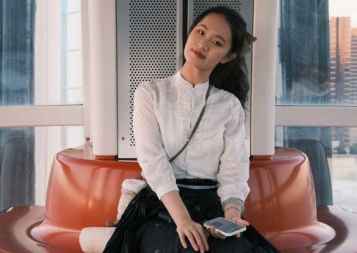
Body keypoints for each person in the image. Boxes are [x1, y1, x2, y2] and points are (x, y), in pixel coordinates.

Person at [104, 6, 278, 253]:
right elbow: (152, 160)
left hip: (210, 205)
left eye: (216, 42)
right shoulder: (150, 93)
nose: (203, 44)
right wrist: (183, 221)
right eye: (200, 32)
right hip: (161, 205)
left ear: (228, 56)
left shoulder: (229, 105)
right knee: (182, 246)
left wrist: (231, 215)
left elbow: (234, 168)